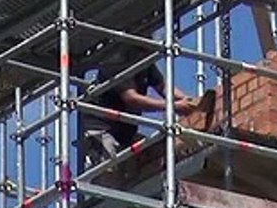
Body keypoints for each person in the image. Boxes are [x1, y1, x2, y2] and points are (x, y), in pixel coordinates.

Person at [79, 47, 211, 169]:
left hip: (124, 130)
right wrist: (174, 106)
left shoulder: (144, 59)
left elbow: (163, 87)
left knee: (157, 155)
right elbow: (132, 99)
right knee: (109, 171)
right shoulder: (116, 60)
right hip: (103, 130)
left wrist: (190, 102)